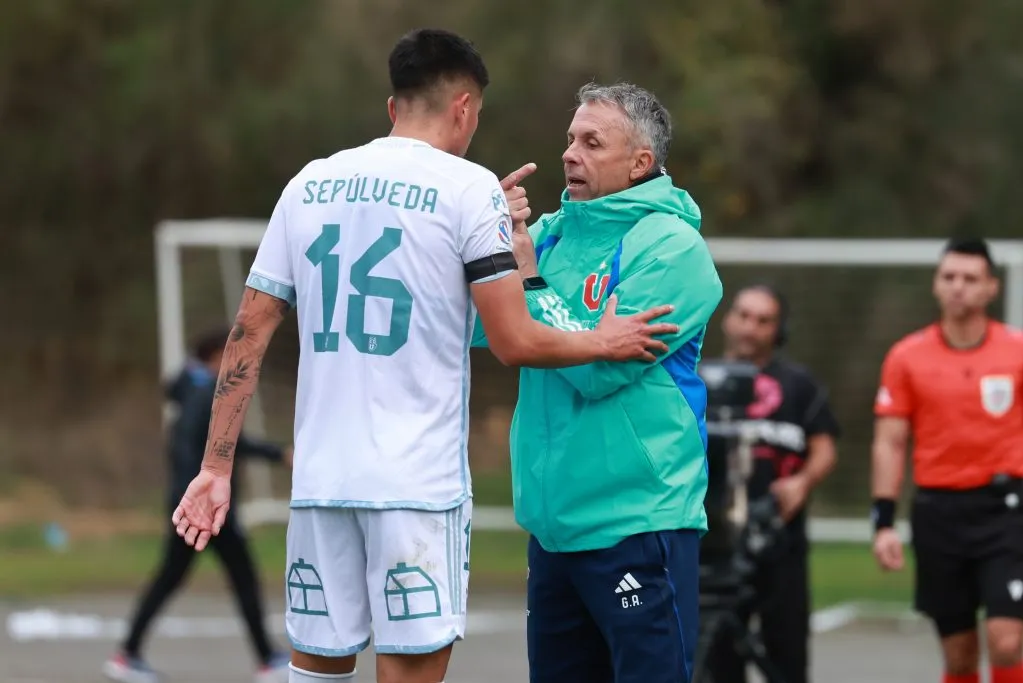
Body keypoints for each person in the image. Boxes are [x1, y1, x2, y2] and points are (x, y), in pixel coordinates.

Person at [169, 30, 677, 683]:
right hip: (415, 486)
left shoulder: (309, 183)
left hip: (323, 481)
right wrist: (602, 339)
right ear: (464, 107)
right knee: (407, 672)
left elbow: (249, 329)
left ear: (392, 107)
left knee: (316, 669)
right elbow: (515, 342)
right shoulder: (470, 190)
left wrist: (216, 467)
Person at [476, 82, 723, 683]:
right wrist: (483, 247)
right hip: (553, 526)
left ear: (641, 163)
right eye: (569, 139)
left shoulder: (672, 249)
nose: (569, 154)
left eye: (591, 142)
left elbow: (594, 367)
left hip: (638, 522)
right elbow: (487, 334)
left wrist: (528, 277)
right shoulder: (554, 231)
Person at [871, 237, 1023, 683]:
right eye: (949, 276)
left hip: (1007, 512)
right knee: (959, 655)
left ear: (991, 288)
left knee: (1006, 641)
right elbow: (890, 441)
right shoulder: (906, 356)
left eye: (970, 278)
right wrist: (883, 521)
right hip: (939, 513)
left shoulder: (1017, 351)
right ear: (936, 285)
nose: (959, 287)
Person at [103, 327, 293, 683]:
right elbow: (196, 448)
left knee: (173, 578)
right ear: (215, 355)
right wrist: (197, 498)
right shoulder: (207, 390)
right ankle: (267, 659)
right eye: (231, 353)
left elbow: (227, 442)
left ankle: (127, 654)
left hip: (192, 506)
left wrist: (278, 454)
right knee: (241, 578)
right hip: (204, 510)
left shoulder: (195, 388)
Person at [701, 284, 840, 683]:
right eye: (743, 316)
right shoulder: (698, 379)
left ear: (778, 330)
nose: (750, 328)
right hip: (712, 544)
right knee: (719, 662)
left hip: (779, 540)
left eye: (763, 321)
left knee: (786, 656)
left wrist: (802, 482)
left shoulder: (799, 384)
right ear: (728, 319)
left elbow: (825, 448)